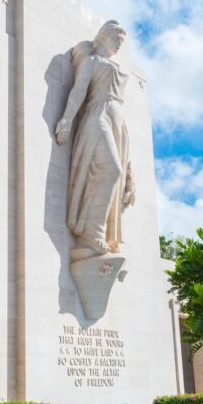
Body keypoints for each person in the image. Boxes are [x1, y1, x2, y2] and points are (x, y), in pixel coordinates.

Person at [55, 20, 135, 255]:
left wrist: (131, 174)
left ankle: (106, 235)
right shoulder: (91, 61)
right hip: (97, 114)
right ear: (102, 37)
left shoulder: (117, 68)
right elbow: (79, 90)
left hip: (118, 121)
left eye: (122, 41)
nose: (119, 45)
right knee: (111, 170)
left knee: (119, 173)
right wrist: (67, 119)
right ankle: (92, 232)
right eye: (115, 39)